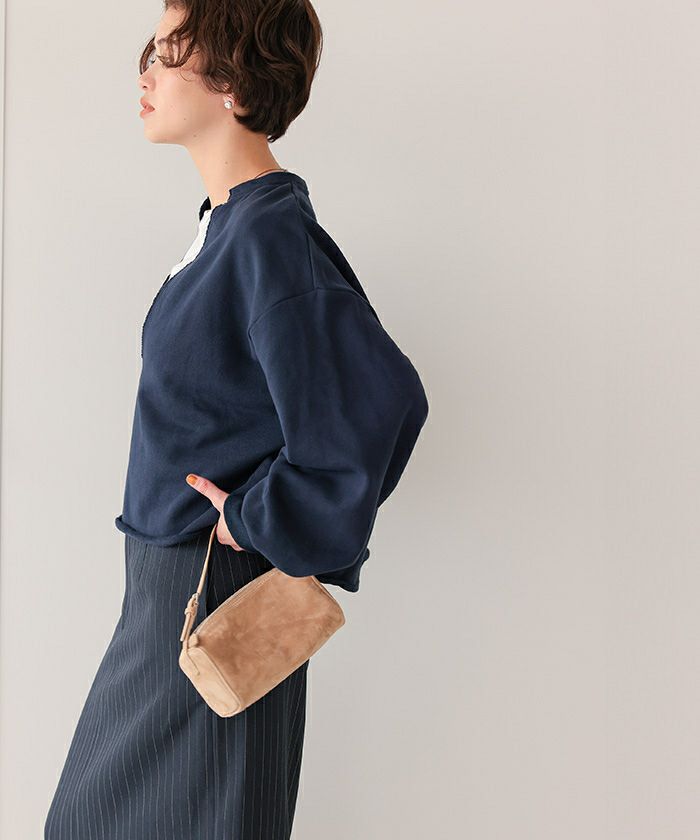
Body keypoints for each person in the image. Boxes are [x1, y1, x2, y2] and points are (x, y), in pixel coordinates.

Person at [44, 1, 429, 838]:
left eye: (169, 51)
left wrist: (258, 517)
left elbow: (384, 402)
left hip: (212, 598)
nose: (145, 72)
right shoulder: (229, 226)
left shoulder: (267, 235)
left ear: (232, 81)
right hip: (165, 598)